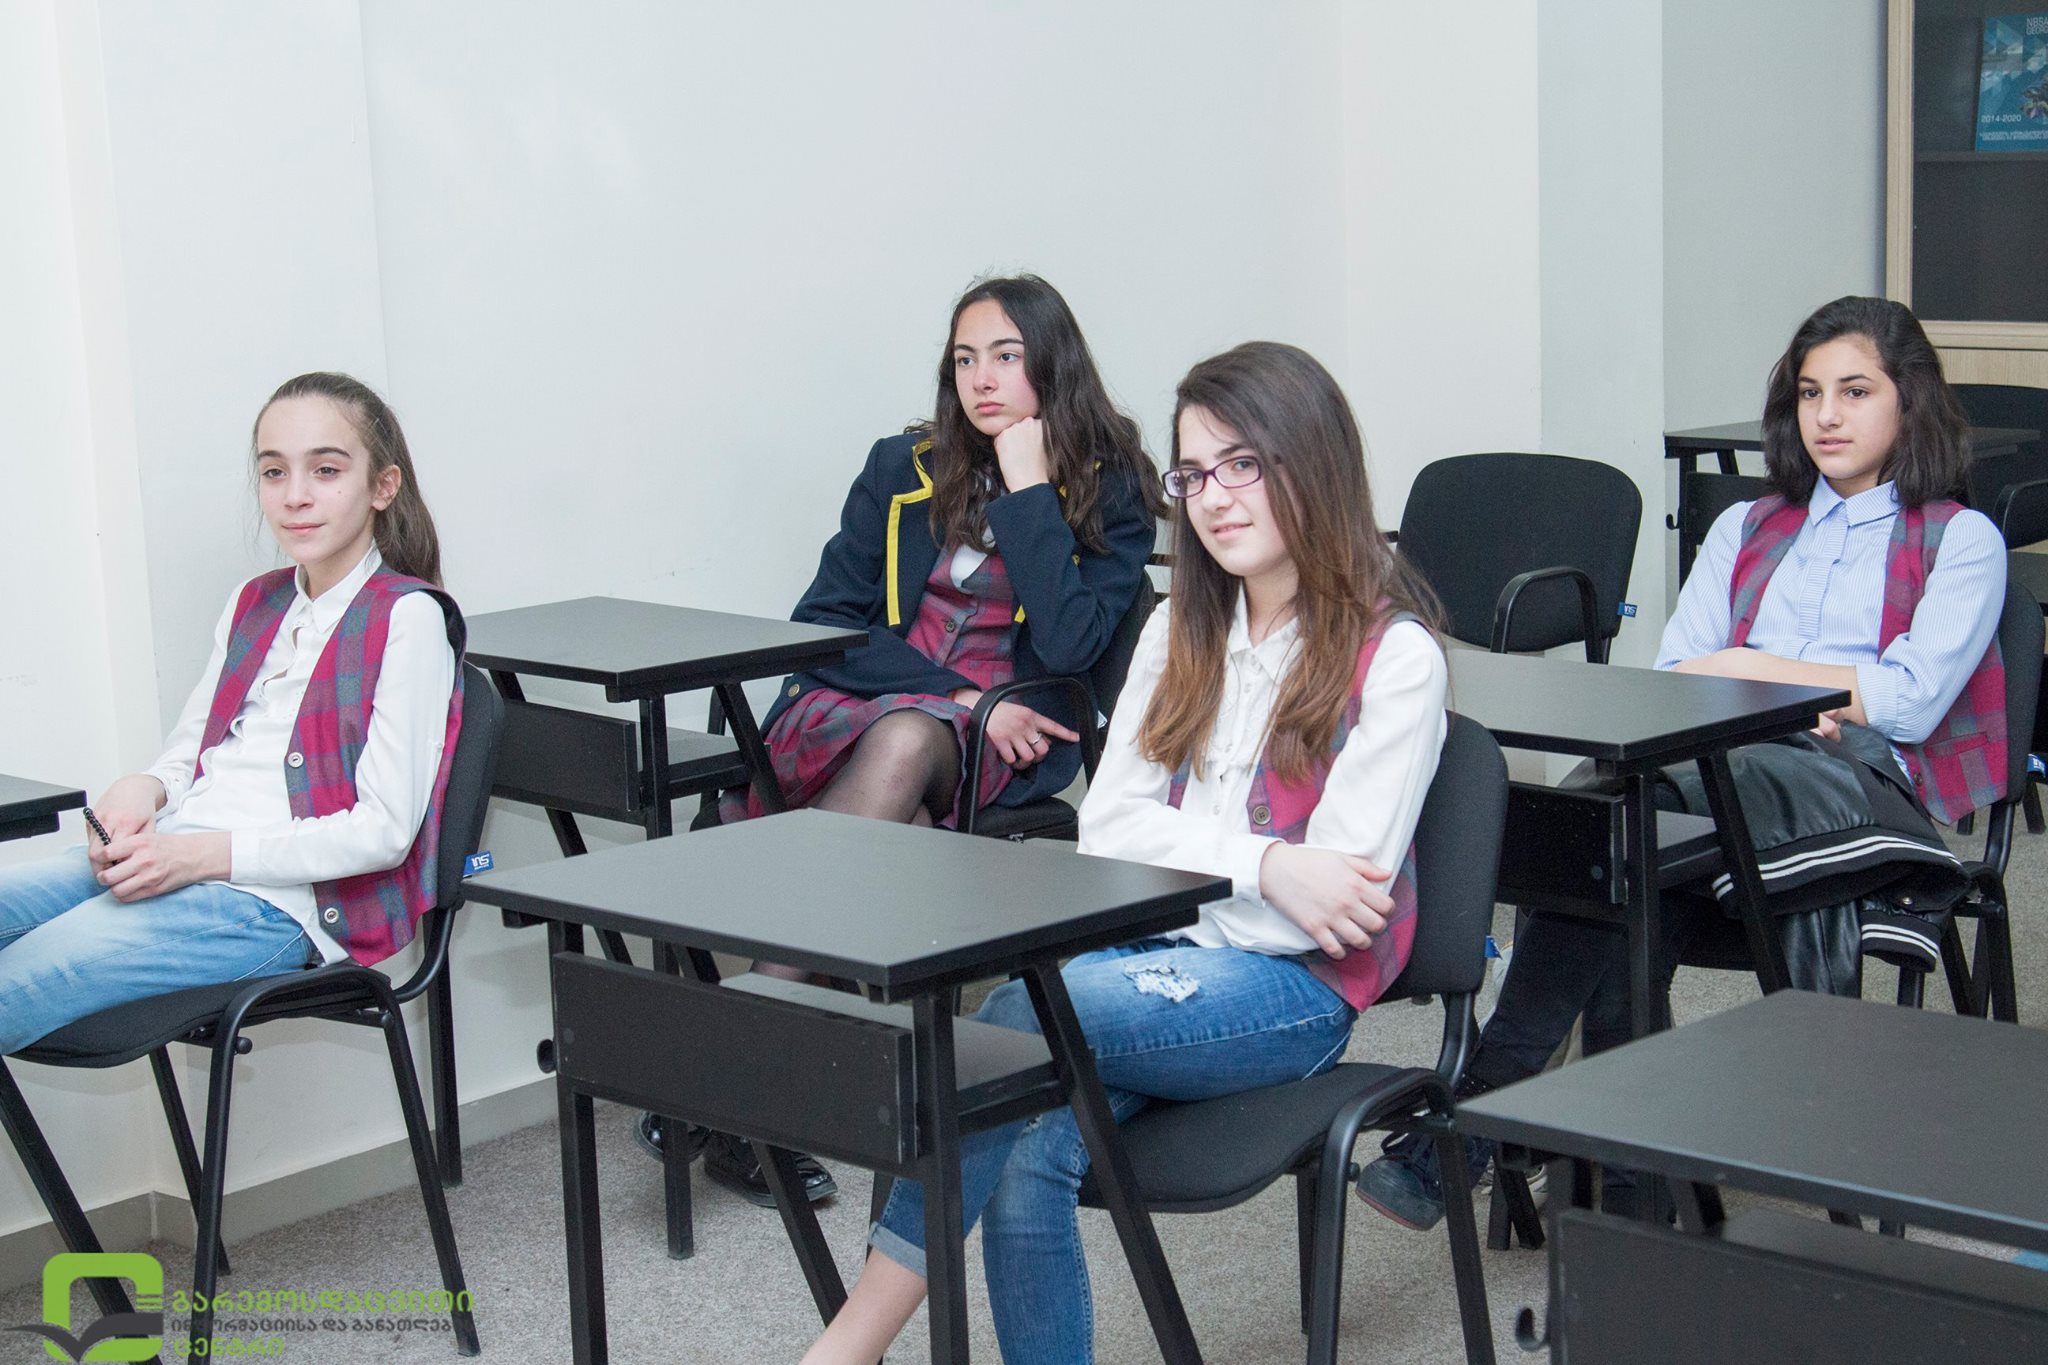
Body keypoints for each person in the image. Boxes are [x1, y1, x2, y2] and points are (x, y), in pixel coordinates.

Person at [801, 341, 1449, 1365]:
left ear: (1313, 461)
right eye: (1193, 474)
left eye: (1243, 464)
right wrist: (1269, 865)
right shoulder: (1176, 630)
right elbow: (1109, 829)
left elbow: (1336, 898)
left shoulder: (1395, 656)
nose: (1214, 498)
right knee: (1025, 1149)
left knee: (1016, 1018)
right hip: (1146, 963)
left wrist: (1227, 871)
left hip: (1289, 993)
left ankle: (848, 1345)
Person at [1359, 294, 2006, 1230]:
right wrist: (1803, 689)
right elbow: (1673, 679)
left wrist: (1748, 669)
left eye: (1855, 391)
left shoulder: (1960, 537)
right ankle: (1621, 1191)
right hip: (1719, 769)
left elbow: (1906, 700)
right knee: (1616, 846)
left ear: (1910, 399)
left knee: (1615, 827)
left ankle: (1480, 1112)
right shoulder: (1748, 525)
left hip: (1862, 791)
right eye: (1811, 393)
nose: (1827, 415)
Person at [675, 275, 1165, 1208]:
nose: (982, 379)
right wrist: (967, 698)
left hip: (997, 747)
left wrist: (1030, 491)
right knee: (895, 776)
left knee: (902, 747)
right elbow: (826, 621)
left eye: (1007, 357)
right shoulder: (902, 465)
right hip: (859, 708)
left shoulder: (1112, 491)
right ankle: (756, 1082)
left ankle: (725, 1071)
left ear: (1053, 363)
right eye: (965, 358)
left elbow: (1073, 646)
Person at [0, 372, 463, 1055]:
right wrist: (144, 788)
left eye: (326, 470)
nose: (295, 495)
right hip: (172, 853)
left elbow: (385, 832)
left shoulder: (408, 618)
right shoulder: (256, 600)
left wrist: (197, 857)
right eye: (274, 472)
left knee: (11, 986)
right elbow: (192, 750)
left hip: (274, 903)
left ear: (382, 486)